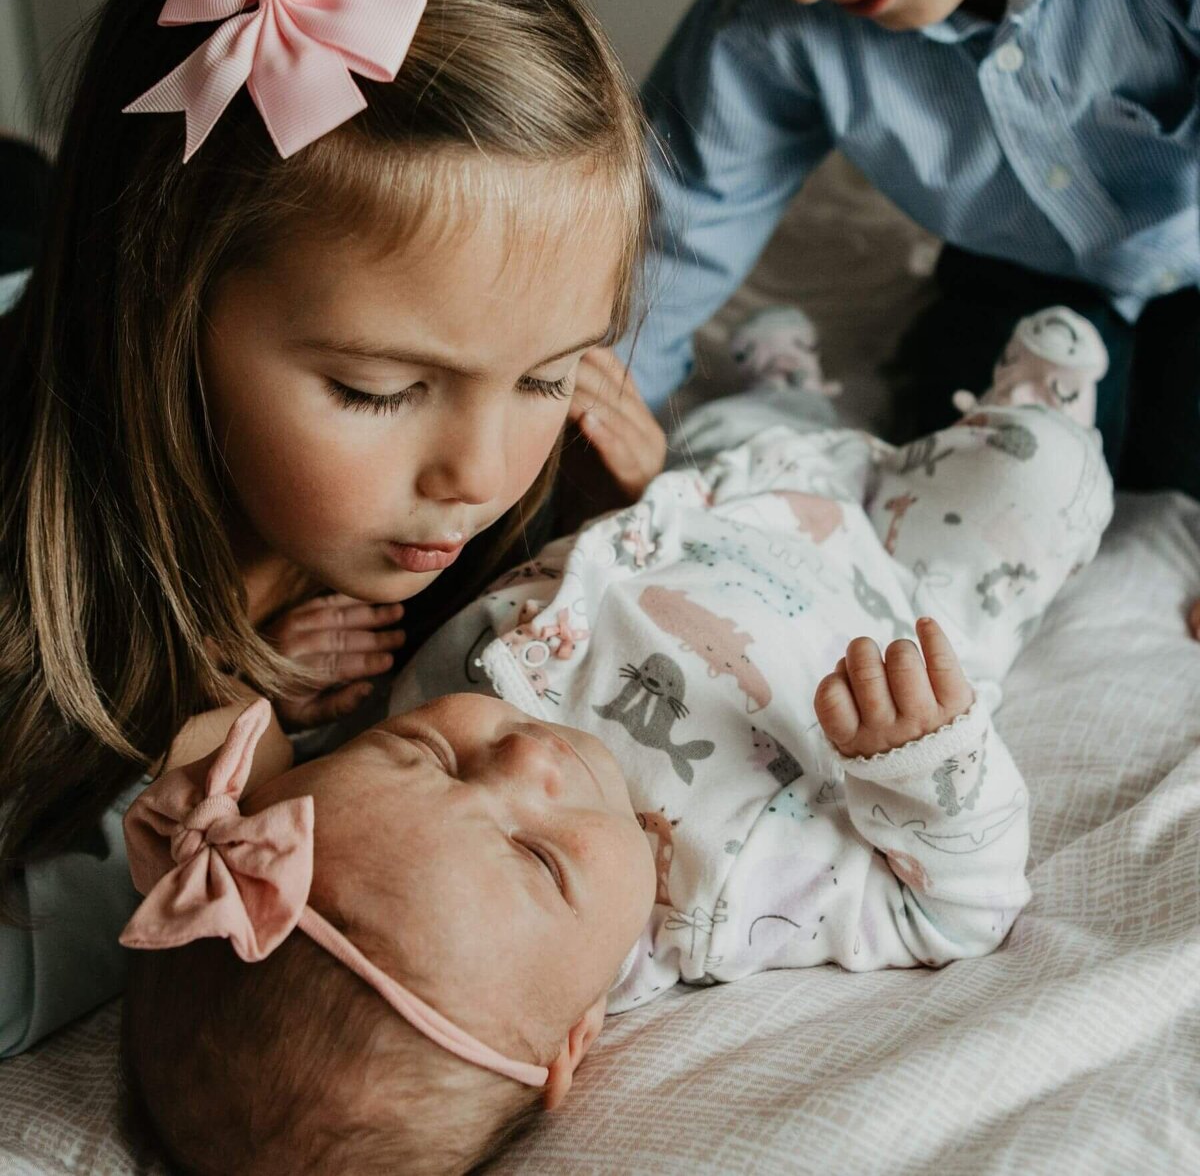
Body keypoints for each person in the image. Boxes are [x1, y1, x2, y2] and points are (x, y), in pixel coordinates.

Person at [117, 305, 1114, 1176]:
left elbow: (233, 745)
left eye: (428, 757)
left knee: (736, 425)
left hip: (713, 499)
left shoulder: (392, 770)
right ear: (576, 1035)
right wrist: (928, 763)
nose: (522, 761)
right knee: (1040, 477)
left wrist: (261, 704)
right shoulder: (728, 904)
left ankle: (783, 390)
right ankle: (1024, 407)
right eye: (539, 857)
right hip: (904, 588)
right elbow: (963, 909)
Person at [0, 0, 662, 1057]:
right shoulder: (29, 592)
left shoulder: (495, 480)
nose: (478, 471)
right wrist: (224, 740)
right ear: (163, 309)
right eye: (381, 389)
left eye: (549, 372)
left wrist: (613, 520)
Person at [573, 0, 1200, 507]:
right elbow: (668, 229)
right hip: (1019, 255)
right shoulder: (765, 11)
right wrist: (587, 430)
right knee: (963, 472)